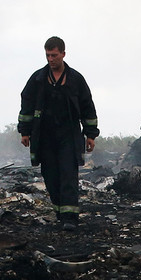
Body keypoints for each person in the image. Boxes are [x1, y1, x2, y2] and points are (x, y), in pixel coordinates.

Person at [18, 36, 99, 230]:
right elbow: (26, 104)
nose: (50, 59)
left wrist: (90, 134)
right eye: (47, 55)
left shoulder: (75, 80)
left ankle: (70, 218)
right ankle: (59, 212)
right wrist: (25, 132)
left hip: (68, 135)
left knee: (68, 174)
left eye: (54, 55)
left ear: (63, 53)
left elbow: (88, 106)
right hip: (44, 136)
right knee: (51, 175)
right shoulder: (37, 79)